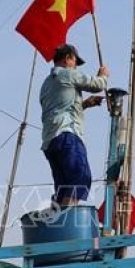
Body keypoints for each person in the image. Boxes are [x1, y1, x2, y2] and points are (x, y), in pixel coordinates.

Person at [40, 43, 109, 206]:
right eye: (75, 63)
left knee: (63, 187)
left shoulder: (46, 84)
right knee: (80, 177)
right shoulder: (67, 74)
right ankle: (67, 221)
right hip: (67, 135)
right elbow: (97, 85)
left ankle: (58, 222)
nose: (76, 67)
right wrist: (103, 76)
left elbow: (60, 107)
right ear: (68, 58)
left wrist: (85, 104)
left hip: (51, 141)